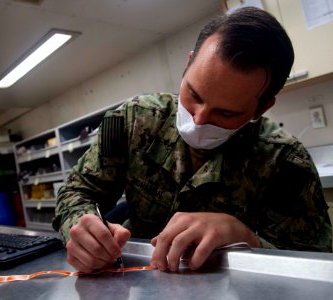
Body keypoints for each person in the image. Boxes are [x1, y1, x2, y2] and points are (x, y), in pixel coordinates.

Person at [52, 7, 332, 273]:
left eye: (225, 113)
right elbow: (77, 192)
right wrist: (81, 227)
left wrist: (247, 239)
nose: (198, 119)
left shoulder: (284, 162)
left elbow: (317, 261)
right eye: (194, 95)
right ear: (188, 64)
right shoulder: (136, 119)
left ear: (261, 109)